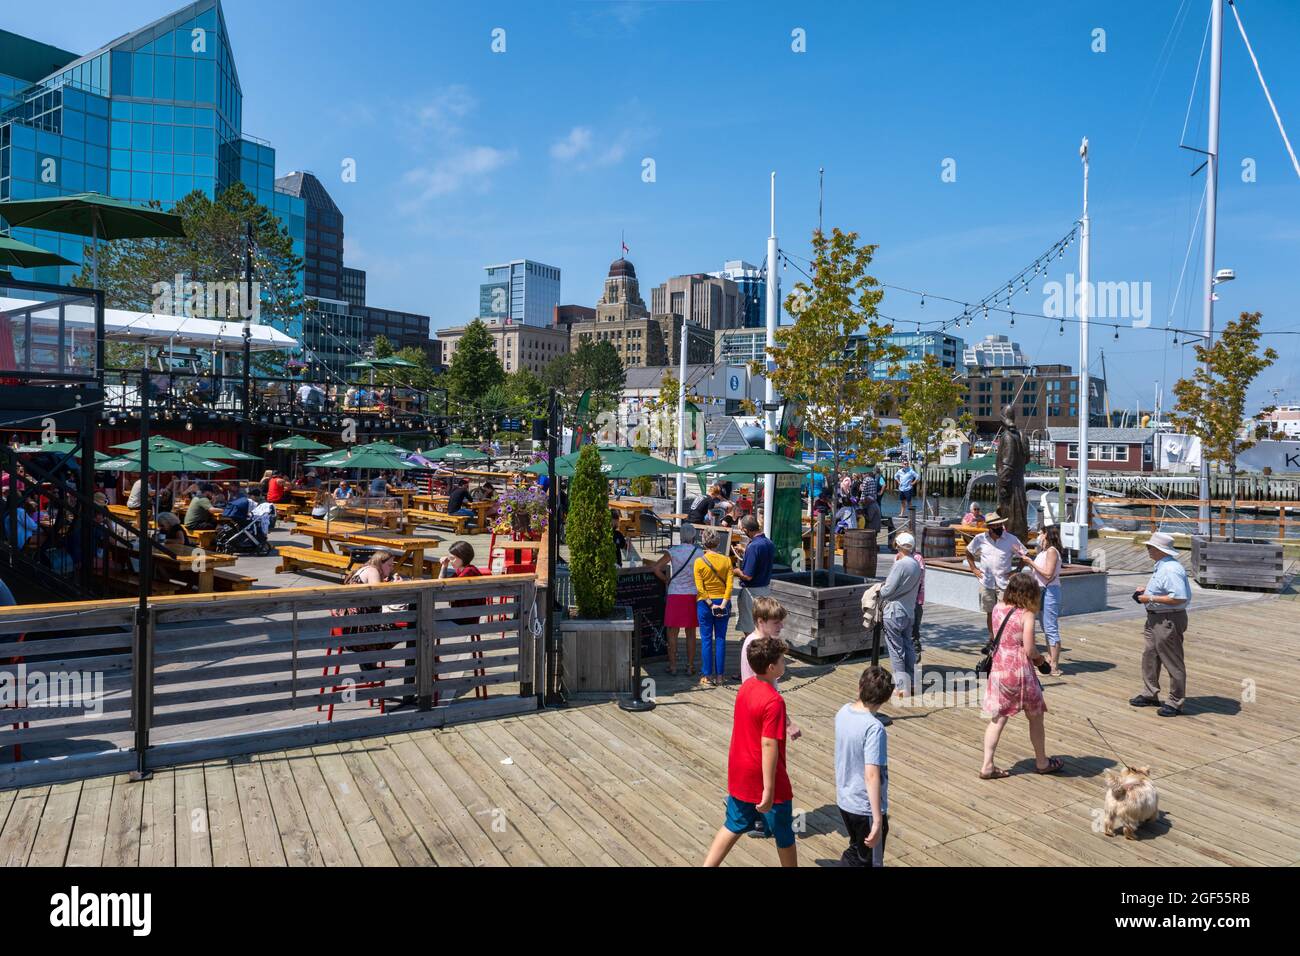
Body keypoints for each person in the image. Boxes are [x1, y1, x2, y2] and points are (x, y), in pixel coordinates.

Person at [703, 636, 797, 867]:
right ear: (772, 668)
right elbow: (768, 744)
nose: (784, 663)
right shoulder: (774, 701)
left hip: (740, 770)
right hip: (763, 775)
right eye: (782, 660)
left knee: (733, 824)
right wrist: (769, 788)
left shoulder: (745, 687)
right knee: (784, 831)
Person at [980, 573, 1063, 779]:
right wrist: (1042, 661)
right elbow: (1029, 650)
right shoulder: (1026, 614)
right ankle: (1042, 762)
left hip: (999, 668)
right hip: (1019, 672)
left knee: (997, 719)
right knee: (1035, 716)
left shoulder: (998, 608)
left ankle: (987, 765)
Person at [835, 665, 894, 867]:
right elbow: (871, 775)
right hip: (864, 806)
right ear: (886, 698)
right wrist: (877, 819)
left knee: (857, 850)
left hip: (845, 800)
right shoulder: (874, 728)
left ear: (860, 686)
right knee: (869, 861)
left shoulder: (842, 712)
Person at [1130, 532, 1191, 718]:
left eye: (1150, 547)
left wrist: (1149, 597)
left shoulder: (1171, 569)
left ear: (1159, 550)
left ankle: (1175, 701)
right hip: (1156, 617)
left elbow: (1179, 597)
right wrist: (1146, 592)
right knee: (1150, 654)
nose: (1148, 550)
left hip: (1168, 619)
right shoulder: (1163, 566)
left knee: (1172, 659)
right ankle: (1150, 693)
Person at [739, 596, 803, 737]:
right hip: (762, 709)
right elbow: (768, 690)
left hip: (752, 705)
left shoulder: (753, 641)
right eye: (776, 623)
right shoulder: (762, 648)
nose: (781, 626)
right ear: (761, 621)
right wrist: (788, 723)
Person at [651, 522, 703, 676]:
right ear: (694, 536)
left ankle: (673, 666)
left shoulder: (673, 551)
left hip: (675, 594)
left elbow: (656, 568)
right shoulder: (699, 553)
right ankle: (690, 666)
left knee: (672, 633)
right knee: (691, 633)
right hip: (692, 594)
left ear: (681, 536)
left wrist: (666, 580)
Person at [964, 511, 1023, 638]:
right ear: (989, 527)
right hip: (986, 581)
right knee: (990, 613)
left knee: (1005, 612)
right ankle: (992, 639)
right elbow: (968, 551)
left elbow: (1024, 555)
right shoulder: (980, 538)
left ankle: (1004, 638)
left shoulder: (1011, 539)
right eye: (995, 525)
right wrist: (973, 568)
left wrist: (1017, 570)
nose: (998, 527)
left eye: (1000, 524)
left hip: (1004, 583)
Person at [879, 531, 922, 703]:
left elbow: (887, 590)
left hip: (894, 612)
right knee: (908, 647)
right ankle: (911, 682)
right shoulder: (916, 564)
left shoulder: (900, 564)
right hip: (909, 611)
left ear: (898, 546)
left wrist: (880, 590)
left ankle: (901, 686)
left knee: (896, 650)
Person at [693, 528, 733, 688]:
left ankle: (707, 675)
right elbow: (730, 585)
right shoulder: (727, 560)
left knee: (706, 639)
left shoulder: (699, 562)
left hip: (705, 603)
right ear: (718, 542)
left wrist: (711, 604)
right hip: (723, 600)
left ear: (704, 542)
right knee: (721, 639)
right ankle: (720, 676)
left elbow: (700, 587)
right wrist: (722, 604)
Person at [1023, 523, 1064, 675]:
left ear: (1047, 535)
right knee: (1045, 627)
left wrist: (1030, 562)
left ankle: (1054, 665)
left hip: (1050, 591)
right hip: (1040, 591)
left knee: (1051, 627)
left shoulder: (1052, 551)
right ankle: (1049, 658)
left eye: (1041, 533)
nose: (1039, 535)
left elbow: (1048, 574)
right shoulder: (1044, 551)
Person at [733, 515, 774, 638]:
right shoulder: (768, 542)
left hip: (752, 592)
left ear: (746, 530)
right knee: (762, 624)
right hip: (765, 589)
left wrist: (735, 571)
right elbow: (761, 556)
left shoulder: (754, 546)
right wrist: (746, 550)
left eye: (742, 529)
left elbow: (747, 576)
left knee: (750, 627)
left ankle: (753, 651)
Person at [911, 547, 927, 663]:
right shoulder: (898, 557)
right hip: (902, 600)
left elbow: (919, 579)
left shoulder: (917, 558)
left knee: (914, 630)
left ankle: (916, 651)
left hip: (915, 600)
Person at [858, 468, 883, 532]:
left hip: (873, 528)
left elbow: (864, 492)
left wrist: (862, 514)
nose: (862, 475)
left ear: (866, 474)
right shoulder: (872, 479)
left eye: (863, 474)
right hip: (876, 526)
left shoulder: (866, 480)